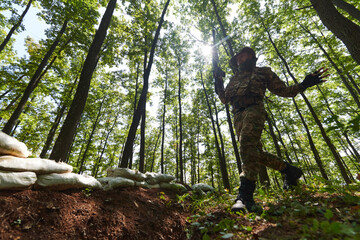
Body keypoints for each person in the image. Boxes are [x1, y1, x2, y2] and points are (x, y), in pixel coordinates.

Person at [214, 47, 328, 213]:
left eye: (242, 55)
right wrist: (218, 81)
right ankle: (290, 170)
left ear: (251, 56)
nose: (239, 59)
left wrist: (304, 84)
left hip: (255, 109)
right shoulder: (234, 78)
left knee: (246, 144)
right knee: (254, 153)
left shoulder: (263, 72)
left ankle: (245, 197)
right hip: (237, 115)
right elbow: (224, 99)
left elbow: (283, 91)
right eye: (237, 58)